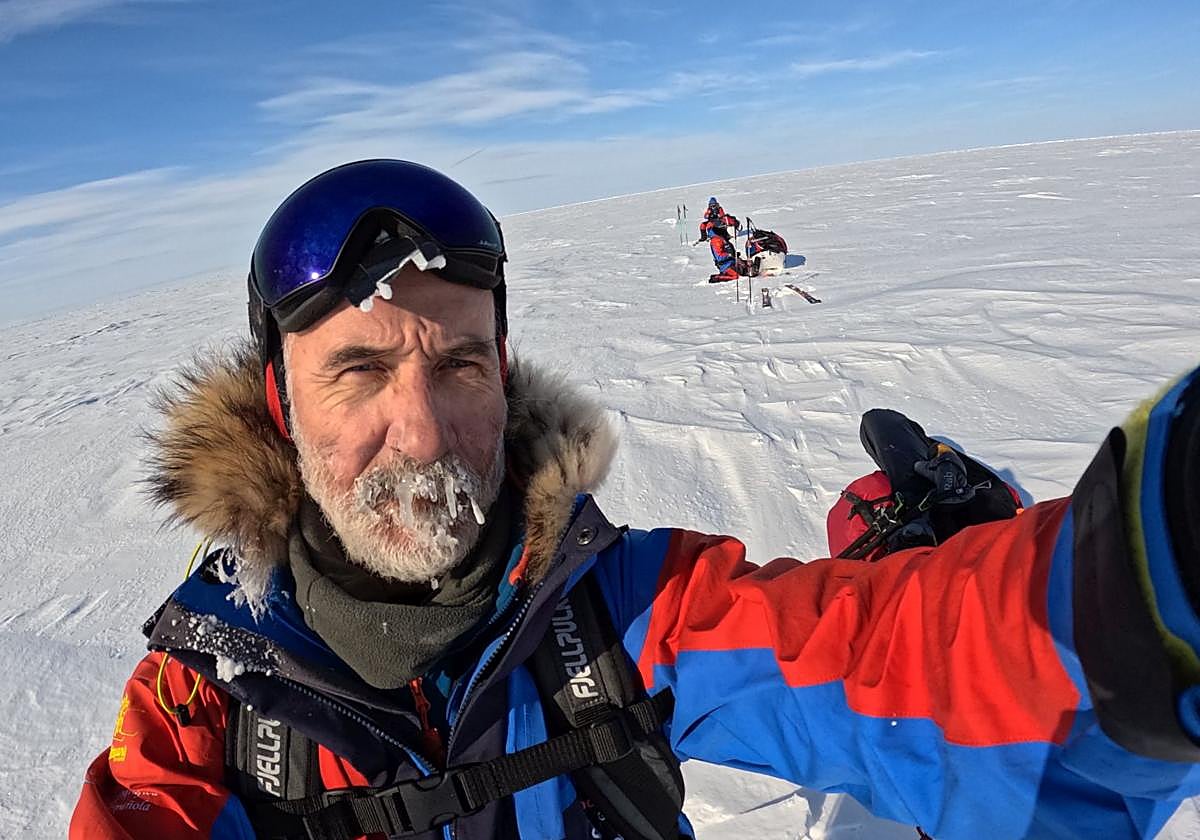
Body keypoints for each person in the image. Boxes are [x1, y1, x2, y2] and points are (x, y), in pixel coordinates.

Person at [71, 158, 1200, 840]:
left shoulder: (620, 607)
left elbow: (906, 667)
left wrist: (1146, 559)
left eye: (460, 367)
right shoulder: (203, 702)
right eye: (357, 373)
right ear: (278, 400)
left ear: (504, 376)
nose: (419, 434)